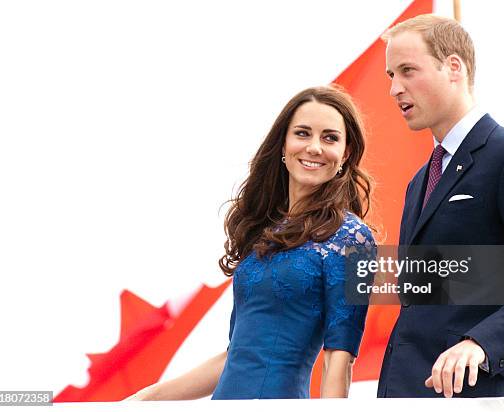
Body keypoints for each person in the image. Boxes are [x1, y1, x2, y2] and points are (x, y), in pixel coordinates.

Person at [126, 85, 376, 400]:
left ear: (346, 154)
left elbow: (339, 356)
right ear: (284, 146)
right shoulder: (263, 231)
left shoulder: (351, 236)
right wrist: (142, 399)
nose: (314, 147)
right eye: (302, 133)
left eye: (330, 138)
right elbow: (236, 355)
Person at [377, 14, 504, 398]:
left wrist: (482, 343)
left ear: (454, 67)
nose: (394, 89)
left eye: (407, 71)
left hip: (479, 391)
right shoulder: (419, 181)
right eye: (390, 75)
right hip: (405, 391)